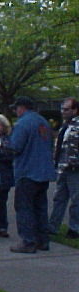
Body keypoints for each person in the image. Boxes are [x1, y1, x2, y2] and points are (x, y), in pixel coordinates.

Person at [7, 96, 56, 253]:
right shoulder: (43, 122)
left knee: (24, 207)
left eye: (16, 108)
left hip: (27, 172)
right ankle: (43, 240)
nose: (15, 111)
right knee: (40, 207)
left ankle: (28, 241)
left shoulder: (22, 123)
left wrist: (5, 144)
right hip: (44, 171)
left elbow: (16, 146)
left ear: (22, 107)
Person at [49, 98, 79, 238]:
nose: (63, 112)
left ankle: (74, 229)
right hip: (62, 168)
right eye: (62, 109)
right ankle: (53, 226)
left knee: (76, 200)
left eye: (66, 109)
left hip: (75, 169)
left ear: (75, 110)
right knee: (59, 198)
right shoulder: (64, 126)